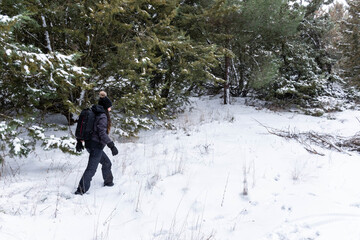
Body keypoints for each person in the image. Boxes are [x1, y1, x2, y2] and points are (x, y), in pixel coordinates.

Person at [75, 91, 118, 195]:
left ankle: (108, 183)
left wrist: (79, 141)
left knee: (107, 163)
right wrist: (111, 145)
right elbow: (102, 133)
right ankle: (81, 190)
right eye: (109, 107)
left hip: (90, 145)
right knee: (91, 169)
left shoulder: (94, 113)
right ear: (105, 107)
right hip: (96, 146)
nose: (110, 109)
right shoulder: (102, 116)